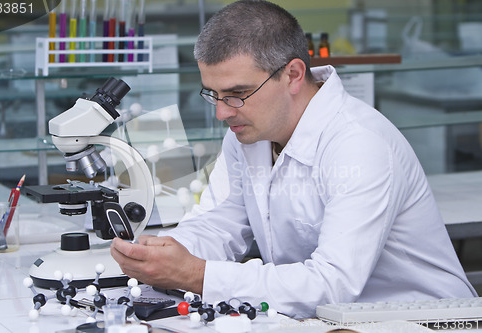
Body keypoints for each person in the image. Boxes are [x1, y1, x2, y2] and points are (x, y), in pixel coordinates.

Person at [111, 0, 477, 319]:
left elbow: (332, 283)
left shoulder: (358, 143)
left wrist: (196, 275)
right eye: (213, 94)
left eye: (237, 93)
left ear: (293, 75)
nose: (222, 113)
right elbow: (219, 222)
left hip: (420, 319)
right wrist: (161, 255)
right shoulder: (248, 132)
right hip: (323, 319)